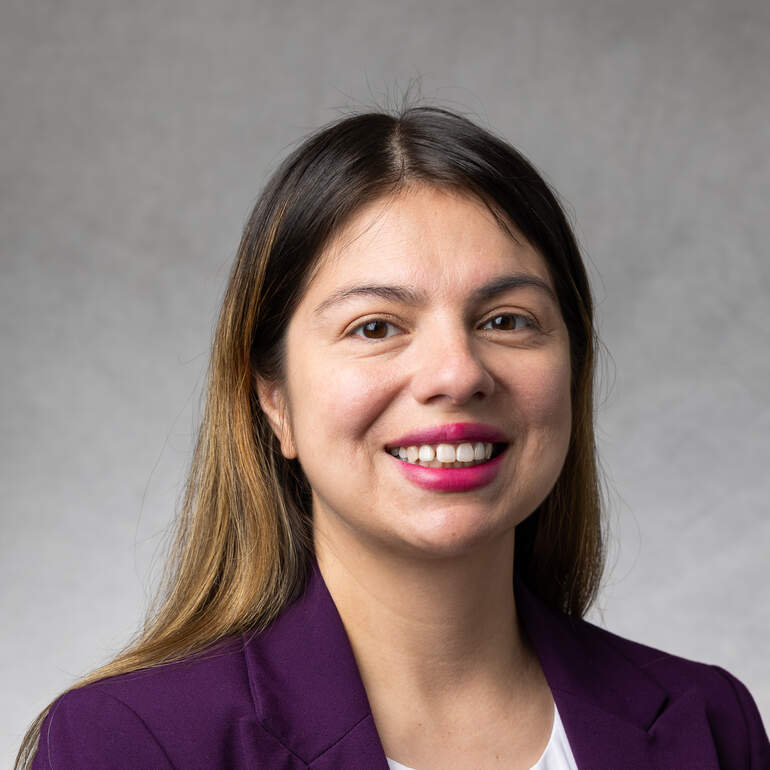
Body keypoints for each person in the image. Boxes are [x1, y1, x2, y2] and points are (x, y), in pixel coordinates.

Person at [18, 106, 769, 770]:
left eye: (507, 319)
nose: (456, 372)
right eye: (375, 326)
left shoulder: (710, 724)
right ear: (273, 400)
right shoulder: (130, 746)